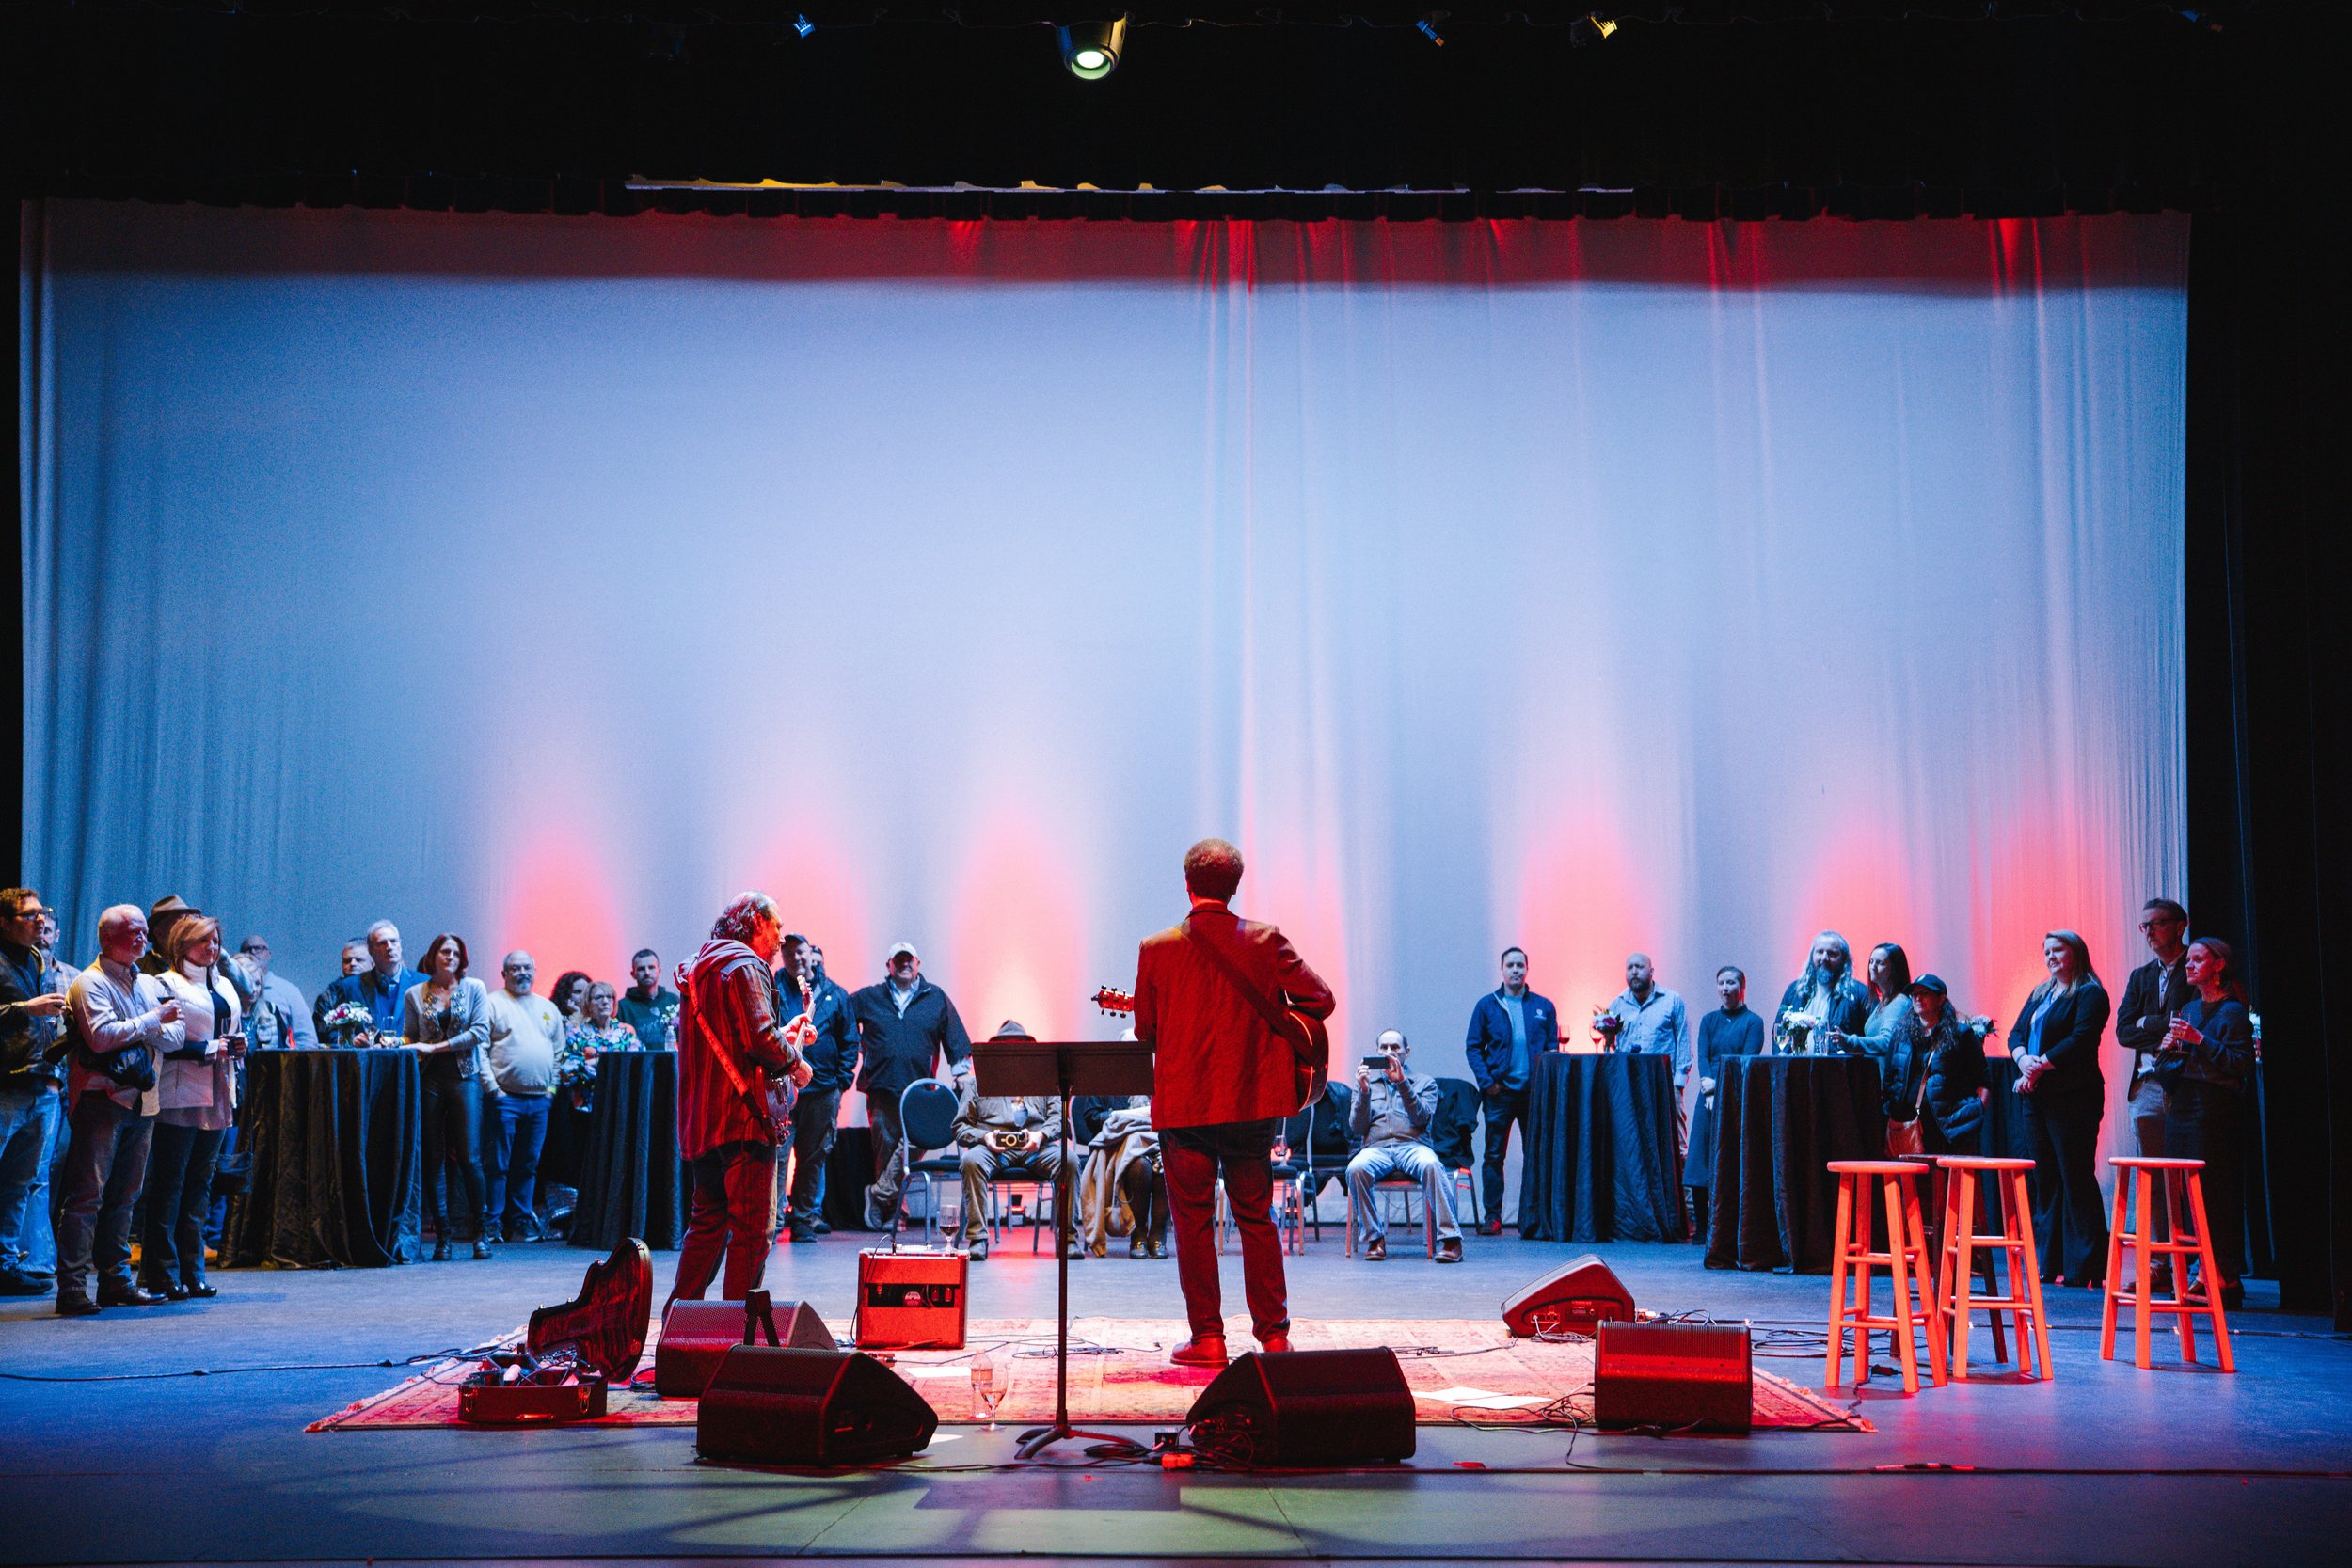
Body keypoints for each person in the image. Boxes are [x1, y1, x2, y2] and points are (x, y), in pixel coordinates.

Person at [1132, 838, 1335, 1367]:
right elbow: (1322, 1000)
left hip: (1186, 1106)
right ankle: (1274, 1337)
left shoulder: (1156, 948)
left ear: (1187, 883)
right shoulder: (1267, 940)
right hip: (1250, 1101)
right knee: (1256, 1217)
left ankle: (1208, 1340)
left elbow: (1146, 1032)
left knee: (1194, 1222)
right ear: (1236, 885)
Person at [669, 892, 812, 1307]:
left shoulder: (699, 967)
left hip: (705, 1121)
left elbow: (733, 1038)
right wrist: (798, 1064)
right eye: (777, 926)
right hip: (744, 1120)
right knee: (752, 1231)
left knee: (707, 1225)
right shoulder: (747, 964)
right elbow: (761, 1040)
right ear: (755, 923)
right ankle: (736, 1335)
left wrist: (782, 1035)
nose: (782, 938)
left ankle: (679, 1331)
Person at [57, 906, 184, 1314]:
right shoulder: (89, 983)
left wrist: (146, 1024)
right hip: (102, 1100)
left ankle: (115, 1281)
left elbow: (177, 1033)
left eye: (145, 932)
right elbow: (99, 1038)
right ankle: (72, 1288)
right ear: (108, 937)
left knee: (126, 1196)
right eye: (134, 932)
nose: (143, 939)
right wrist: (151, 1021)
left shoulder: (146, 981)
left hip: (143, 1102)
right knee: (86, 1196)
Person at [142, 916, 243, 1301]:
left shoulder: (225, 985)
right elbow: (161, 1037)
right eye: (203, 941)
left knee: (200, 1185)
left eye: (216, 940)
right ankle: (162, 1274)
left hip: (218, 1090)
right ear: (182, 945)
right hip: (180, 1093)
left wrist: (235, 1045)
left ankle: (193, 1271)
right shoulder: (166, 983)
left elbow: (226, 1029)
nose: (212, 948)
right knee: (170, 1184)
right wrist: (206, 1049)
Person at [2008, 929, 2112, 1287]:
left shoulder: (2090, 993)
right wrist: (2023, 1061)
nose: (2050, 957)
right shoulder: (2041, 992)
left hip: (2073, 1096)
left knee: (2075, 1176)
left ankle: (2086, 1266)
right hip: (2036, 1096)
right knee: (2045, 1178)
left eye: (2058, 950)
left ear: (2076, 954)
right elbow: (2016, 1034)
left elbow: (2081, 1040)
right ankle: (2047, 1262)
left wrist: (2040, 1065)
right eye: (2046, 951)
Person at [2156, 937, 2255, 1309]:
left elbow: (2241, 1064)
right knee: (2185, 1195)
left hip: (2214, 1110)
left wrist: (2197, 1040)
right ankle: (2209, 1272)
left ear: (2218, 966)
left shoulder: (2231, 1011)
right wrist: (2169, 1049)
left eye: (2199, 960)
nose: (2190, 966)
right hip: (2183, 1107)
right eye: (2189, 961)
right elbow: (2173, 1068)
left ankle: (2218, 1273)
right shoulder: (2189, 1007)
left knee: (2213, 1194)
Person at [850, 942, 974, 1230]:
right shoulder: (869, 997)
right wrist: (856, 1048)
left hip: (921, 1092)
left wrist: (961, 1074)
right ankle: (895, 1214)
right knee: (885, 1151)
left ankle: (879, 1195)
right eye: (898, 960)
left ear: (918, 964)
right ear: (889, 966)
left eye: (909, 960)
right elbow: (842, 1021)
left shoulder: (936, 998)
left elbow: (955, 1037)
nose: (904, 965)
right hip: (881, 1088)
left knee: (914, 1145)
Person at [0, 888, 73, 1296]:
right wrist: (27, 1009)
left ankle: (5, 1264)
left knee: (20, 1183)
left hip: (42, 1083)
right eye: (29, 915)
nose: (40, 920)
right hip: (6, 1085)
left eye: (42, 913)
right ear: (5, 922)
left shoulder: (37, 959)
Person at [403, 932, 493, 1260]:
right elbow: (411, 1036)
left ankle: (480, 1233)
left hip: (464, 1076)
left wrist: (437, 1047)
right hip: (430, 1079)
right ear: (433, 955)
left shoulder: (475, 989)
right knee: (433, 1157)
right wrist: (394, 1042)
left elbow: (480, 1032)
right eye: (444, 951)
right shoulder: (415, 993)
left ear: (462, 958)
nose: (450, 957)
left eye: (456, 952)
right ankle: (443, 1236)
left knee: (469, 1156)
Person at [954, 1022, 1076, 1262]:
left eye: (1018, 1048)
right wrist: (985, 1137)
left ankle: (1068, 1239)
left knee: (1068, 1160)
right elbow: (960, 1127)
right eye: (1005, 1048)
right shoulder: (975, 1083)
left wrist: (1041, 1136)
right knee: (970, 1161)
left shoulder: (1044, 1080)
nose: (1012, 1052)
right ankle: (978, 1238)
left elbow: (1059, 1118)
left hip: (1035, 1145)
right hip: (994, 1148)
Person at [1345, 1030, 1463, 1264]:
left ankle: (1451, 1239)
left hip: (1412, 1145)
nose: (1389, 1052)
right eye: (1384, 1048)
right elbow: (1357, 1128)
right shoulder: (1365, 1084)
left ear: (1406, 1052)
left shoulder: (1424, 1082)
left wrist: (1403, 1084)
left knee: (1431, 1164)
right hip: (1376, 1148)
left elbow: (1422, 1119)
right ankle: (1375, 1238)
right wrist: (1365, 1092)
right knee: (1355, 1168)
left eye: (1395, 1047)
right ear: (1377, 1052)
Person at [1464, 946, 1557, 1236]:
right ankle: (1493, 1217)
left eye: (1520, 965)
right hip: (1499, 1094)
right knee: (1494, 1156)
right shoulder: (1487, 1006)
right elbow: (1473, 1047)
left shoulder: (1544, 1006)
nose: (1515, 970)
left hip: (1533, 1095)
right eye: (1510, 965)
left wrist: (1545, 1085)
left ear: (1527, 969)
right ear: (1502, 970)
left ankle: (1535, 1218)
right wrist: (1488, 1083)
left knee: (1536, 1155)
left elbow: (1553, 1049)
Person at [778, 935, 857, 1243]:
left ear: (811, 954)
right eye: (788, 952)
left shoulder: (835, 994)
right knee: (778, 1157)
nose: (795, 958)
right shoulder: (772, 989)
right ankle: (771, 1225)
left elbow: (850, 1040)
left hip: (823, 1090)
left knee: (813, 1158)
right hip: (782, 1088)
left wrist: (841, 1082)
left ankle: (803, 1222)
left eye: (800, 951)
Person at [482, 951, 564, 1243]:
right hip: (504, 1099)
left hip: (539, 1100)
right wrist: (494, 1089)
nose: (521, 973)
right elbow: (480, 1050)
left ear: (535, 970)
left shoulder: (547, 1008)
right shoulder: (492, 1003)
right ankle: (492, 1222)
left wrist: (551, 1090)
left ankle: (521, 1220)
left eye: (526, 967)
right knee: (498, 1164)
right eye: (514, 968)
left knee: (528, 1163)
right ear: (504, 974)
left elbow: (557, 1052)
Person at [1686, 965, 1764, 1235]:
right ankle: (1701, 1227)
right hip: (1707, 1093)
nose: (1725, 988)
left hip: (1735, 1092)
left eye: (1731, 983)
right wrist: (1708, 1090)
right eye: (1721, 982)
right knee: (1699, 1157)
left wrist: (1719, 1087)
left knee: (1731, 1155)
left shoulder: (1753, 1022)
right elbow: (1704, 1056)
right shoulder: (1709, 1020)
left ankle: (1729, 1224)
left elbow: (1748, 1058)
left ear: (1741, 987)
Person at [1881, 974, 1994, 1158]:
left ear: (1941, 999)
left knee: (1949, 1183)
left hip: (1949, 1127)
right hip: (1908, 1124)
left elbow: (1983, 1079)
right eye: (1914, 994)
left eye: (1925, 993)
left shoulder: (1961, 1035)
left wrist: (1976, 1110)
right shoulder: (1901, 1035)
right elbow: (1889, 1077)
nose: (1918, 998)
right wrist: (1891, 1110)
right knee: (1913, 1184)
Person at [2117, 899, 2194, 1160]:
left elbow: (2186, 1019)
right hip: (2145, 1085)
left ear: (2180, 927)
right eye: (2144, 926)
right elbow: (2123, 1031)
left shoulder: (2195, 966)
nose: (2149, 931)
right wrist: (2160, 1033)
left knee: (2188, 1169)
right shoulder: (2141, 976)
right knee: (2152, 1175)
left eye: (2157, 923)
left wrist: (2146, 1021)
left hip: (2185, 1081)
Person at [1077, 1093, 1167, 1259]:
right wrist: (1122, 1116)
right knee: (1139, 1167)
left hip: (1156, 1139)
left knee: (1166, 1166)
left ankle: (1158, 1235)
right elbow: (1091, 1118)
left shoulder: (1157, 1074)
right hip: (1117, 1146)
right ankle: (1138, 1234)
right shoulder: (1104, 1075)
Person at [1601, 952, 1692, 1096]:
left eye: (1639, 967)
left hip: (1663, 1083)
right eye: (1630, 968)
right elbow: (1611, 1047)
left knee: (1668, 1119)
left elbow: (1683, 1042)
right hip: (1627, 1084)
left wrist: (1678, 1084)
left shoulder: (1672, 1001)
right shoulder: (1616, 1005)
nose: (1634, 972)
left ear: (1651, 972)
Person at [322, 921, 424, 1041]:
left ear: (400, 946)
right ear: (370, 951)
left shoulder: (422, 983)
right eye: (382, 943)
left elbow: (431, 1031)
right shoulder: (351, 986)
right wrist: (352, 1040)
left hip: (410, 1057)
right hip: (367, 1058)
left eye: (394, 941)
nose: (389, 947)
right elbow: (333, 1031)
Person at [1772, 931, 1873, 1054]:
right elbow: (1779, 1030)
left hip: (1840, 1071)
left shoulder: (1859, 993)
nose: (1824, 958)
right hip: (1797, 1070)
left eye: (1832, 954)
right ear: (1811, 957)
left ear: (1844, 959)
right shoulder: (1795, 990)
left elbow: (1873, 1038)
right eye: (1820, 952)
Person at [1828, 942, 1914, 1066]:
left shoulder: (1899, 1003)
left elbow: (1887, 1042)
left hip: (1887, 1081)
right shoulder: (1882, 1003)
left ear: (1894, 970)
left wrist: (1850, 1041)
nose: (1873, 967)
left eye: (1881, 963)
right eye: (1871, 961)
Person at [234, 935, 317, 1050]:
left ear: (269, 954)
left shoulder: (288, 991)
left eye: (258, 948)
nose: (253, 952)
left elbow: (307, 1039)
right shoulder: (228, 993)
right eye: (247, 950)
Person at [617, 948, 680, 1049]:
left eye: (651, 967)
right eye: (641, 969)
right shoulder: (622, 1007)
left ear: (659, 971)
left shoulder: (673, 1001)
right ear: (633, 974)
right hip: (637, 1063)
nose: (647, 973)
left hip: (671, 1063)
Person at [313, 939, 369, 1041]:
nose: (352, 964)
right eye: (347, 961)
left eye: (359, 960)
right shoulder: (328, 997)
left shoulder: (380, 994)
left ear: (372, 964)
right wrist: (351, 1040)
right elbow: (323, 1033)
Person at [137, 895, 200, 977]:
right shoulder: (138, 968)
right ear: (159, 934)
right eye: (179, 926)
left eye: (189, 926)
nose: (187, 932)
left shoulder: (201, 965)